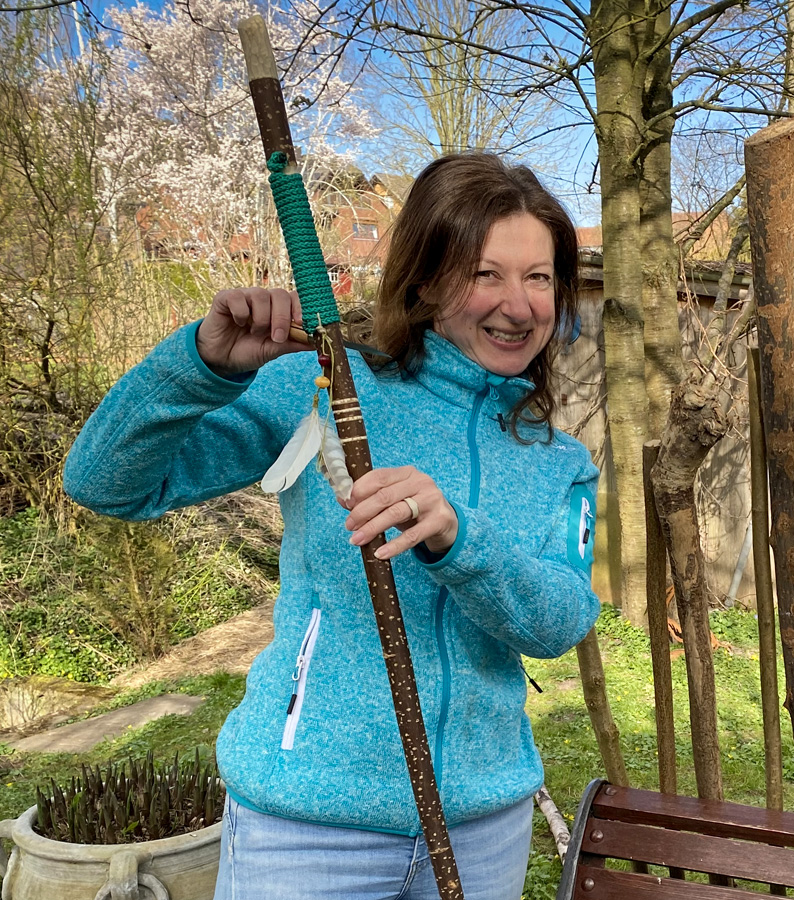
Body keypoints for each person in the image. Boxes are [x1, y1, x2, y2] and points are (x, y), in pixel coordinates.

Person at [64, 154, 600, 900]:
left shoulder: (558, 461)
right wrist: (202, 368)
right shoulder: (329, 390)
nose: (519, 304)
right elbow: (104, 485)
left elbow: (559, 622)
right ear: (423, 280)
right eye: (485, 274)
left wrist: (459, 539)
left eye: (539, 277)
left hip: (481, 830)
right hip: (309, 828)